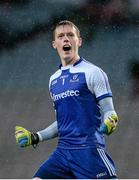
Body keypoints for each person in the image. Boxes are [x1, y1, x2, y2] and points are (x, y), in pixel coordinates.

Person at [15, 20, 119, 179]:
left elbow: (109, 111)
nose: (66, 39)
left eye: (70, 35)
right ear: (54, 44)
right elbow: (63, 123)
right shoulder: (53, 80)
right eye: (61, 36)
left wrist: (111, 119)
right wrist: (37, 136)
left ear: (79, 41)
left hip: (88, 152)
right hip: (63, 153)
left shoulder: (93, 72)